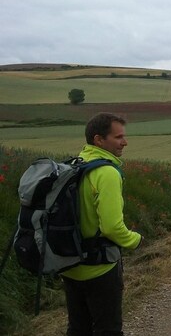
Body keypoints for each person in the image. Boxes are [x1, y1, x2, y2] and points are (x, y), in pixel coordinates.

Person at [60, 113, 143, 336]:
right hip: (100, 268)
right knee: (108, 329)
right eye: (118, 137)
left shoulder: (73, 166)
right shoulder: (106, 172)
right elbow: (112, 227)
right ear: (99, 140)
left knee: (78, 329)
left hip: (70, 264)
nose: (125, 142)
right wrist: (135, 240)